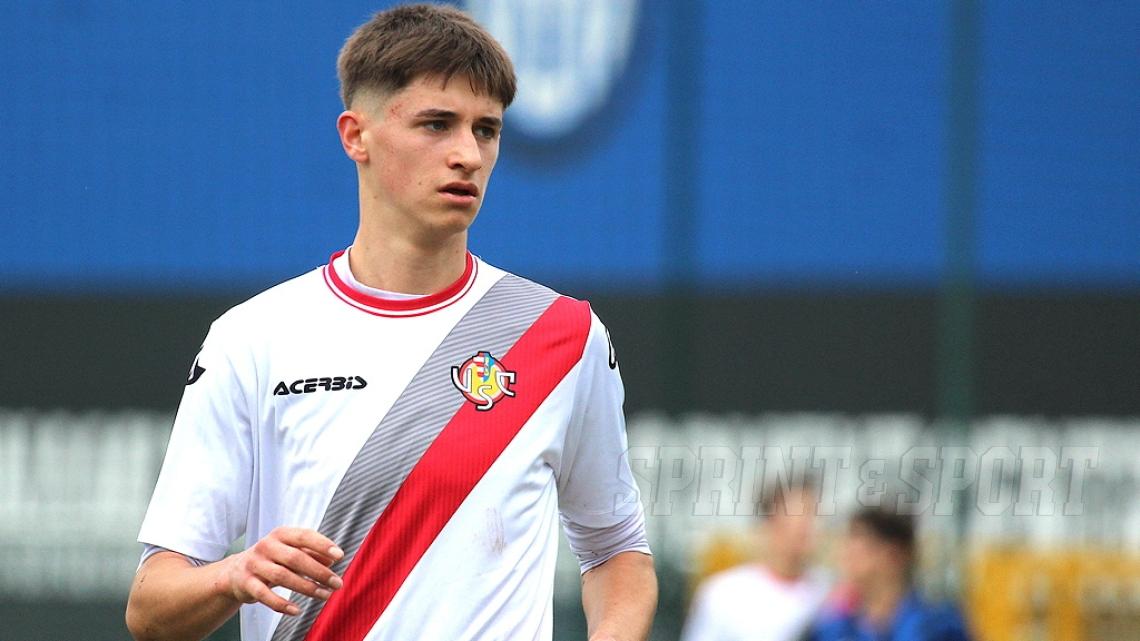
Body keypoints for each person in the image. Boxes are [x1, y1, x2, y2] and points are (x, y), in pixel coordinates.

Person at [124, 5, 656, 641]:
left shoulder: (562, 334)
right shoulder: (252, 338)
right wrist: (233, 575)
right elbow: (151, 607)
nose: (468, 154)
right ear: (357, 136)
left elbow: (617, 551)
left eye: (486, 130)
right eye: (437, 124)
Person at [680, 479, 831, 641]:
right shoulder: (724, 594)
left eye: (813, 514)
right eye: (799, 514)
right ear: (769, 523)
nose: (808, 526)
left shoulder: (828, 592)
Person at [807, 506, 972, 641]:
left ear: (893, 554)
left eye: (858, 542)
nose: (845, 554)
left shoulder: (938, 626)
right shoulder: (834, 630)